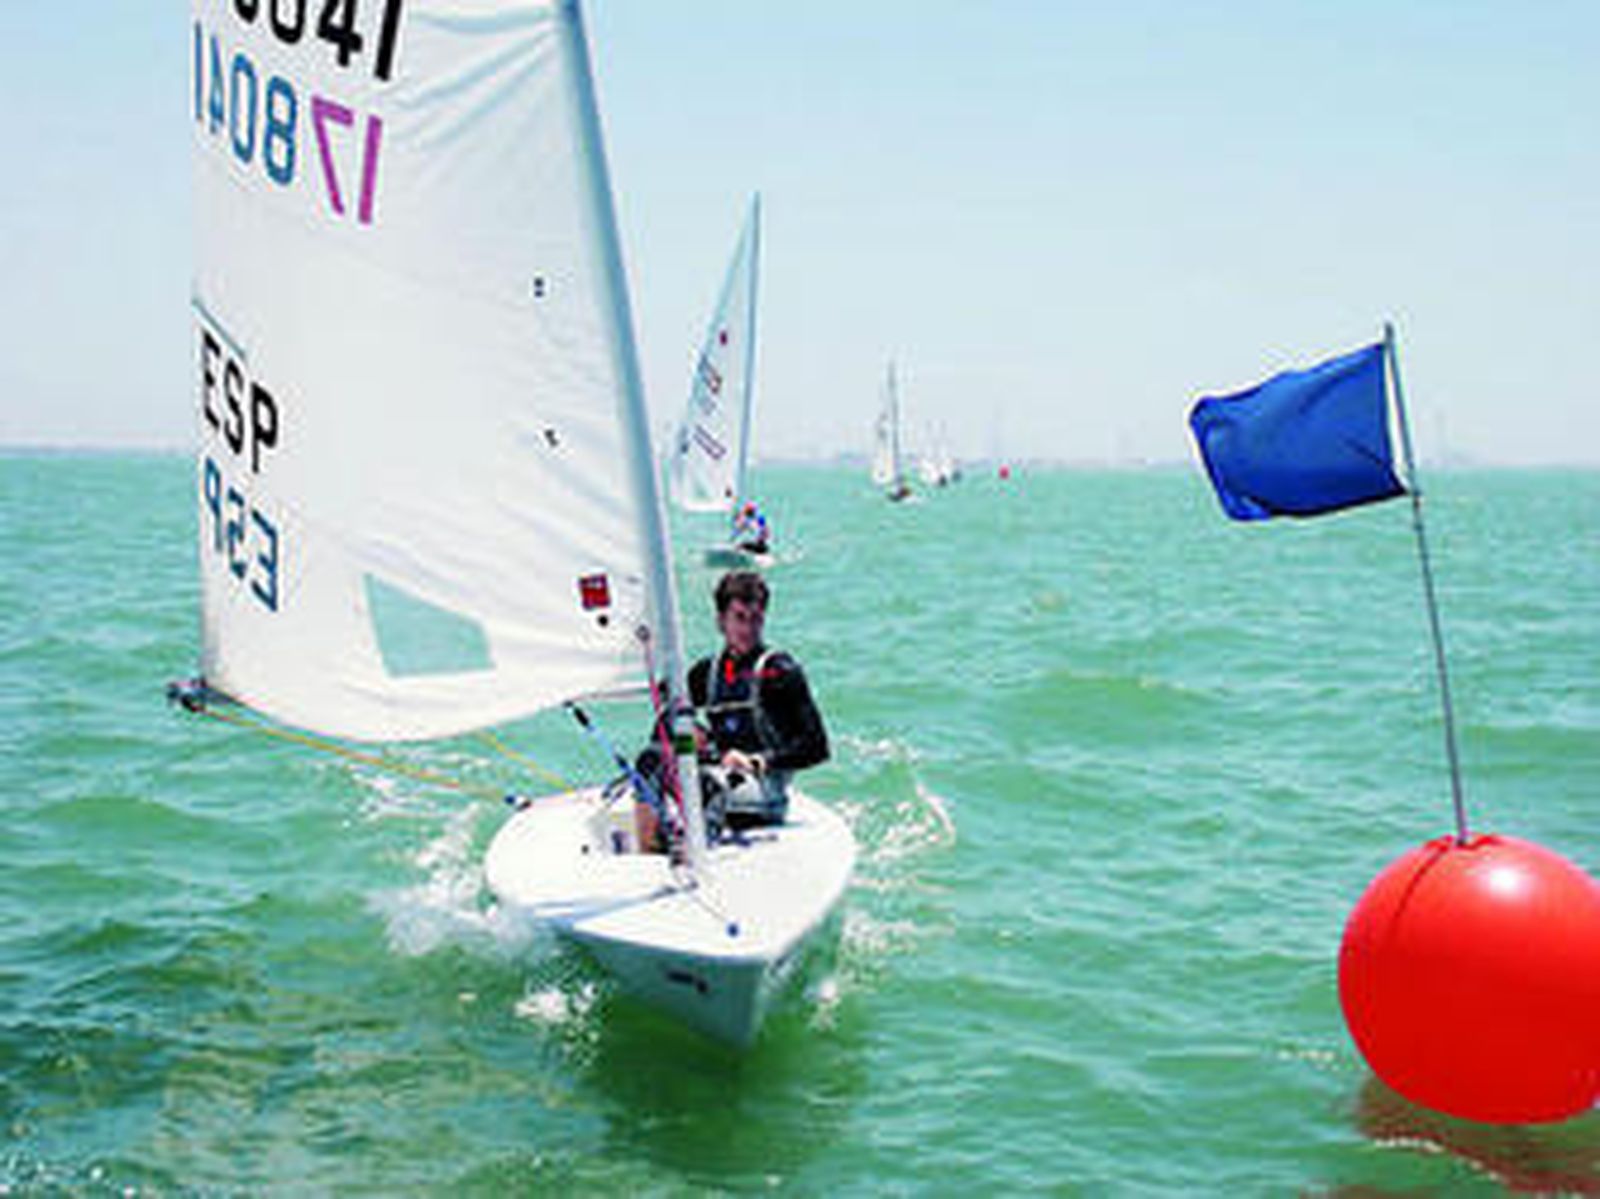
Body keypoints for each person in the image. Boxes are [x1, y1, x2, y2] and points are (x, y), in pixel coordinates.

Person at [688, 569, 827, 831]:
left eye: (756, 619)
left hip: (763, 793)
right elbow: (667, 716)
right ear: (721, 621)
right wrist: (691, 733)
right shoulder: (705, 673)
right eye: (739, 618)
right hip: (718, 777)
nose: (748, 629)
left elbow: (816, 746)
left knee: (706, 787)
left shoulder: (780, 672)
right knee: (654, 761)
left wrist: (758, 761)